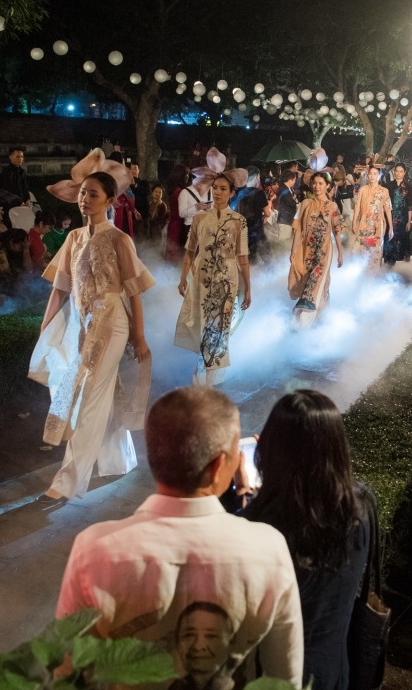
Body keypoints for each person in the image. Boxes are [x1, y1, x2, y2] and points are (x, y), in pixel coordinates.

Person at [56, 387, 304, 688]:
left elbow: (69, 672)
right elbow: (284, 677)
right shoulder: (268, 547)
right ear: (216, 468)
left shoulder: (94, 550)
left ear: (154, 457)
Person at [30, 171, 154, 501]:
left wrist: (138, 336)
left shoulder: (119, 240)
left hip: (112, 326)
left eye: (94, 194)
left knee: (88, 399)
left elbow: (134, 292)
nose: (85, 199)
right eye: (83, 193)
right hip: (80, 327)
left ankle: (67, 482)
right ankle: (118, 460)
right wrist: (45, 329)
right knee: (91, 393)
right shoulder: (72, 239)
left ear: (110, 201)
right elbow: (59, 289)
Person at [241, 391, 372, 690]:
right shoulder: (362, 507)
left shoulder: (258, 526)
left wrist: (245, 495)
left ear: (270, 450)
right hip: (333, 668)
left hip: (272, 674)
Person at [175, 174, 252, 386]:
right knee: (202, 322)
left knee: (220, 324)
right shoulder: (200, 218)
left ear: (231, 193)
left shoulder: (239, 221)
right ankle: (201, 368)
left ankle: (213, 373)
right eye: (215, 188)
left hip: (227, 279)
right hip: (201, 277)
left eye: (223, 189)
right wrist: (183, 278)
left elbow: (243, 257)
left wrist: (248, 288)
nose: (217, 192)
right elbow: (190, 251)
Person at [288, 172, 343, 328]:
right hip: (306, 249)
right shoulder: (305, 204)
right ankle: (322, 318)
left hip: (324, 250)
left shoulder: (332, 206)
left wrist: (340, 253)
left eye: (321, 183)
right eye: (315, 183)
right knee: (306, 279)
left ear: (327, 186)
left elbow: (336, 230)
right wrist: (293, 250)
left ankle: (301, 324)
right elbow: (297, 228)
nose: (317, 186)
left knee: (315, 281)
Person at [352, 165, 391, 272]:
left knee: (375, 250)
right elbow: (357, 208)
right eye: (370, 173)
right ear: (367, 175)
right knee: (361, 249)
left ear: (380, 175)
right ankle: (361, 274)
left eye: (375, 174)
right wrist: (354, 223)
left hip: (377, 225)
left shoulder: (384, 191)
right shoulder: (362, 190)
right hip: (364, 224)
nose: (372, 176)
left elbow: (387, 209)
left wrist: (391, 227)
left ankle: (374, 275)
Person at [0, 228, 32, 296]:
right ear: (11, 241)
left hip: (12, 281)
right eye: (20, 246)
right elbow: (6, 274)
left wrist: (26, 251)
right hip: (2, 284)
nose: (21, 249)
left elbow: (28, 267)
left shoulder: (14, 250)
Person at [0, 146, 31, 220]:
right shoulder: (7, 173)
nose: (20, 159)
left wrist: (27, 199)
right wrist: (19, 202)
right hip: (10, 206)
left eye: (21, 156)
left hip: (21, 205)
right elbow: (8, 190)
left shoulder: (21, 172)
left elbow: (25, 187)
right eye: (17, 156)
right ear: (10, 157)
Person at [383, 163, 410, 264]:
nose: (398, 173)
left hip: (402, 218)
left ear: (404, 173)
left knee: (400, 239)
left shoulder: (408, 187)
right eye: (397, 171)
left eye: (401, 171)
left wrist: (409, 221)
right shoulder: (388, 185)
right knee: (388, 239)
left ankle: (399, 263)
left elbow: (410, 205)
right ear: (394, 172)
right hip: (389, 217)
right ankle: (387, 262)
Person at [166, 163, 192, 263]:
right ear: (179, 175)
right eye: (186, 174)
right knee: (178, 251)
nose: (188, 177)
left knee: (172, 251)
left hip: (174, 223)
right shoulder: (180, 192)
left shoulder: (174, 190)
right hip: (179, 224)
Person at [274, 170, 299, 255]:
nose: (295, 182)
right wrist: (294, 200)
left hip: (287, 220)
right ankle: (280, 259)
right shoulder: (284, 190)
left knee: (287, 241)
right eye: (294, 180)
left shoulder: (287, 189)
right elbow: (291, 203)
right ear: (290, 180)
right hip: (284, 220)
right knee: (283, 243)